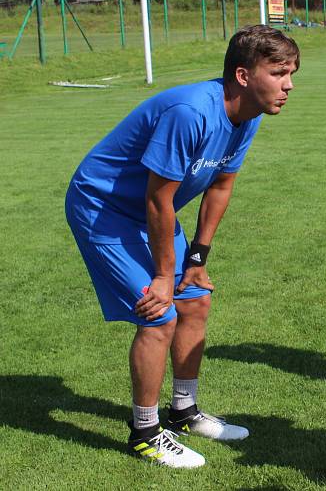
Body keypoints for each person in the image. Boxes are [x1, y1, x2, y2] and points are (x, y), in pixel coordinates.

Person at [64, 25, 299, 468]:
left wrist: (195, 260)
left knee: (195, 301)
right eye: (279, 73)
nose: (289, 85)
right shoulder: (191, 112)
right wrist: (160, 276)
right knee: (160, 313)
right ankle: (145, 432)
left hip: (152, 209)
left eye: (292, 74)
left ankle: (184, 411)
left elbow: (220, 187)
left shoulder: (247, 115)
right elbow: (158, 198)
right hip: (104, 207)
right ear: (244, 75)